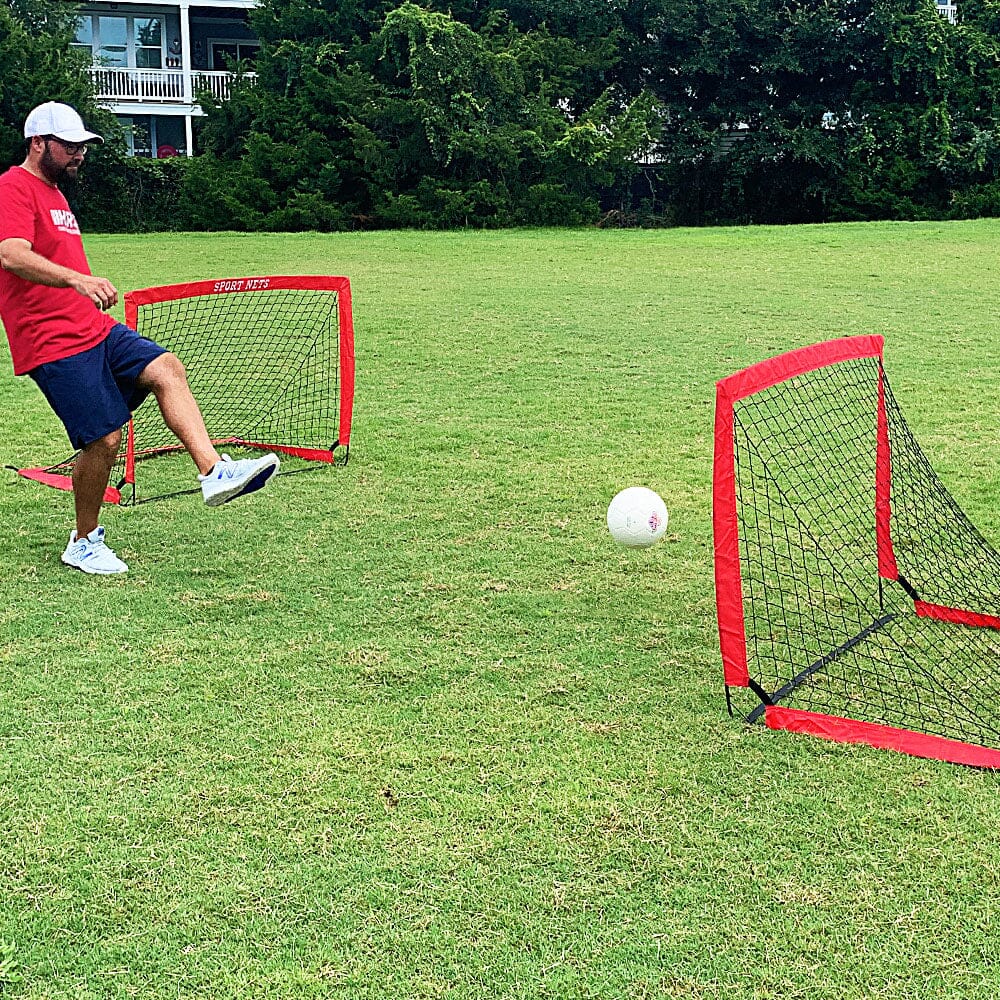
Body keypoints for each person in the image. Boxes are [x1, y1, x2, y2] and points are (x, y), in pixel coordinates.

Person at [0, 102, 280, 576]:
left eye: (82, 146)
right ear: (37, 143)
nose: (79, 154)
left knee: (166, 368)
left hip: (93, 328)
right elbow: (10, 255)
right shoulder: (13, 187)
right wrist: (78, 281)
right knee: (104, 439)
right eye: (69, 146)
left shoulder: (55, 194)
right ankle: (84, 541)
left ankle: (214, 473)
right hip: (51, 340)